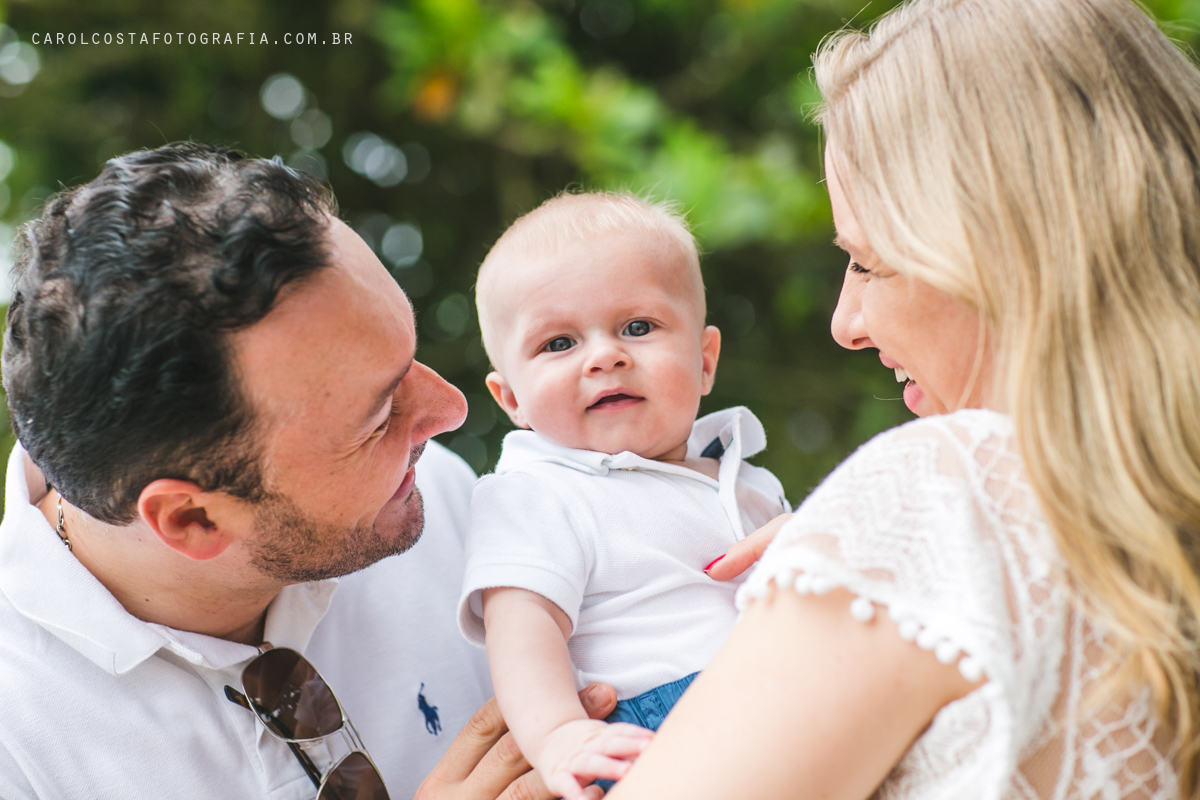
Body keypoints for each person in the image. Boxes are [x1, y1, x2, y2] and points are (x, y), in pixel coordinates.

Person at [597, 0, 1200, 797]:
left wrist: (883, 540)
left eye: (869, 263)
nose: (846, 323)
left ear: (1006, 252)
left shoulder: (941, 494)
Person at [0, 143, 619, 800]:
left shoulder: (437, 495)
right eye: (378, 416)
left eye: (408, 358)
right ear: (193, 518)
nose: (450, 410)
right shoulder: (19, 740)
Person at [458, 192, 791, 799]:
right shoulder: (536, 492)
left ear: (705, 360)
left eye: (637, 328)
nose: (605, 356)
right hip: (660, 724)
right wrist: (560, 734)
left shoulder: (751, 483)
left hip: (791, 689)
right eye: (559, 343)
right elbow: (523, 627)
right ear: (512, 400)